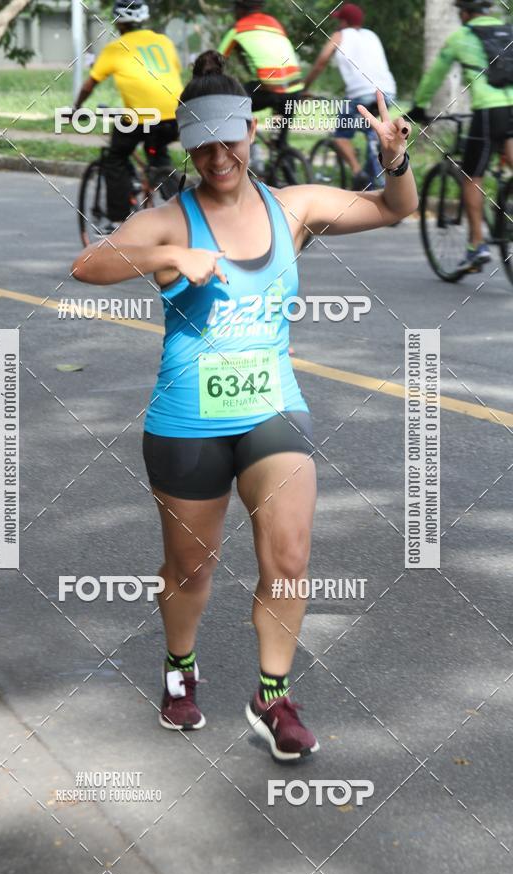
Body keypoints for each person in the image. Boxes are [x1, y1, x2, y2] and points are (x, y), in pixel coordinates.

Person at [71, 51, 416, 762]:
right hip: (186, 419)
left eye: (229, 139)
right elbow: (89, 265)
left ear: (252, 131)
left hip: (272, 408)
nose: (218, 155)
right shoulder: (170, 218)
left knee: (288, 555)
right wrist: (168, 259)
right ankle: (179, 670)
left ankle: (273, 694)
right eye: (201, 143)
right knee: (191, 570)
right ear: (187, 145)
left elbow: (391, 211)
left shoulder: (294, 208)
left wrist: (395, 161)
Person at [409, 0, 513, 272]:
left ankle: (476, 246)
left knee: (471, 177)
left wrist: (419, 106)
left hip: (489, 112)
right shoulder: (508, 31)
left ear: (464, 13)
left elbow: (434, 75)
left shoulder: (461, 37)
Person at [73, 0, 183, 224]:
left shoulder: (115, 48)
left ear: (119, 23)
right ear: (142, 19)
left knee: (116, 157)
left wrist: (76, 108)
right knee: (159, 157)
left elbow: (89, 85)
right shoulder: (164, 42)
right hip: (177, 116)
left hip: (141, 119)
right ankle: (184, 211)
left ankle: (118, 221)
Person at [303, 3, 397, 189]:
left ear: (344, 21)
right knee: (372, 131)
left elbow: (321, 62)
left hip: (362, 94)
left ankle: (357, 172)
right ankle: (375, 179)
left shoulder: (340, 35)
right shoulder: (372, 36)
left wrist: (304, 87)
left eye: (340, 20)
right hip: (387, 93)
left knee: (340, 135)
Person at [218, 0, 304, 159]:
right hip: (295, 87)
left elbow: (214, 62)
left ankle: (250, 148)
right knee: (280, 142)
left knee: (229, 105)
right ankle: (284, 158)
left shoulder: (238, 29)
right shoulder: (275, 24)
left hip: (269, 87)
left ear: (240, 10)